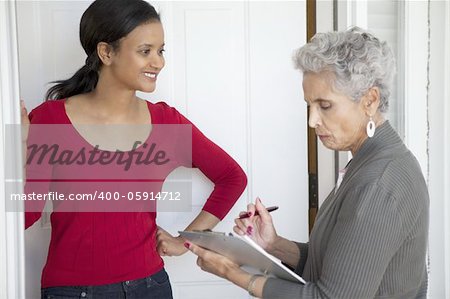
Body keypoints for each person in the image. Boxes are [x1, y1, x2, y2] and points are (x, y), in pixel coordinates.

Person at [21, 0, 247, 298]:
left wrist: (187, 241)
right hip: (71, 291)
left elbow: (232, 177)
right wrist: (21, 152)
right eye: (146, 51)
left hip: (149, 287)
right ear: (106, 52)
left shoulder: (167, 123)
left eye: (161, 50)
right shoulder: (50, 119)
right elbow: (27, 213)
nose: (159, 62)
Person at [185, 27, 429, 299]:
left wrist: (233, 273)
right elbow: (336, 267)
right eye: (309, 106)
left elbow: (330, 297)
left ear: (369, 100)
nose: (312, 121)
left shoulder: (378, 183)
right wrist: (274, 245)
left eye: (325, 106)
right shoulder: (368, 164)